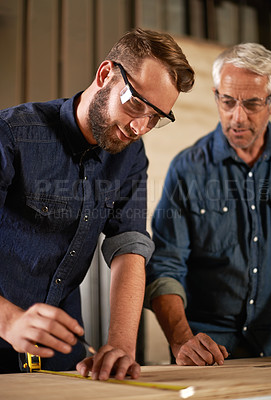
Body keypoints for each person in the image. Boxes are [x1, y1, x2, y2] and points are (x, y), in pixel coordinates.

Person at [0, 28, 194, 378]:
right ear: (105, 74)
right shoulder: (13, 134)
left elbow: (129, 246)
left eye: (156, 118)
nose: (139, 127)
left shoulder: (131, 156)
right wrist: (9, 318)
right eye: (136, 104)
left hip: (63, 356)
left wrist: (121, 344)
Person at [145, 42, 271, 366]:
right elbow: (165, 264)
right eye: (228, 102)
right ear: (216, 96)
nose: (237, 117)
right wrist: (181, 339)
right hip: (205, 350)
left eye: (252, 104)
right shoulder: (187, 169)